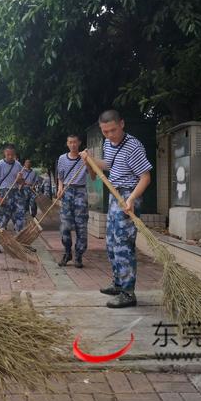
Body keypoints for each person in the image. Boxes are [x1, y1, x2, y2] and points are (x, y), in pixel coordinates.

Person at [80, 110, 152, 308]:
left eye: (113, 130)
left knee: (123, 244)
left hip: (129, 195)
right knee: (111, 242)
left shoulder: (133, 146)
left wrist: (131, 200)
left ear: (122, 123)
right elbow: (109, 164)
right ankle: (118, 283)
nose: (110, 135)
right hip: (114, 195)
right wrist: (91, 160)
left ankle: (128, 292)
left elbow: (145, 177)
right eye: (105, 132)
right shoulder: (108, 143)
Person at [56, 134, 96, 268]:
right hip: (67, 192)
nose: (73, 145)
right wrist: (60, 189)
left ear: (79, 143)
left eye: (75, 142)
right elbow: (60, 177)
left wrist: (88, 163)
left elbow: (93, 176)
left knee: (81, 227)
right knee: (65, 226)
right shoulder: (62, 158)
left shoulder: (85, 156)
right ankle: (67, 253)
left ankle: (78, 256)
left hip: (80, 192)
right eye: (70, 142)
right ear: (67, 144)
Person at [0, 144, 25, 254]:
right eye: (8, 154)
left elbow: (21, 182)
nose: (10, 157)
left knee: (20, 220)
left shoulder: (18, 165)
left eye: (12, 155)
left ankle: (20, 244)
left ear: (15, 154)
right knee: (1, 221)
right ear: (5, 153)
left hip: (16, 194)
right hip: (4, 193)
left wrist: (20, 179)